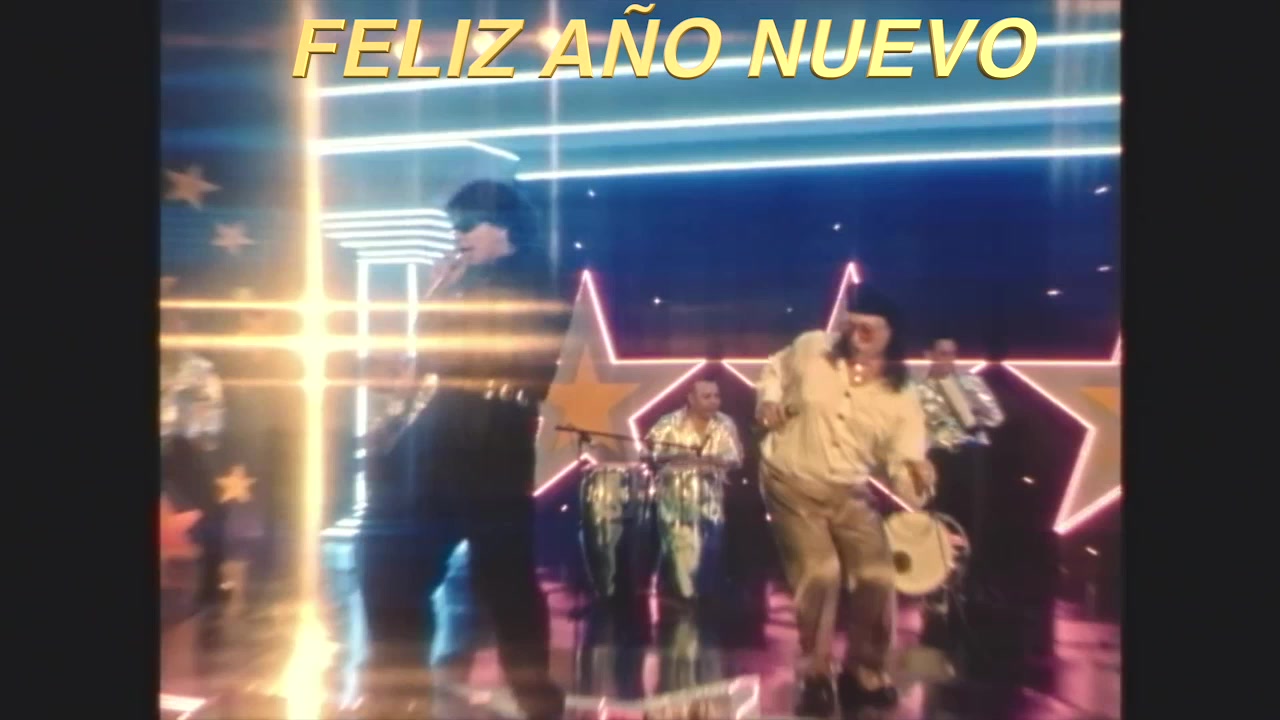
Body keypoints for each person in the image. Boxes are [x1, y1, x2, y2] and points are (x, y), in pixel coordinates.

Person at [358, 180, 570, 719]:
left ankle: (536, 699)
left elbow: (466, 347)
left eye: (468, 224)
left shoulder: (532, 278)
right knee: (391, 559)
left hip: (494, 432)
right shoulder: (464, 281)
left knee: (503, 575)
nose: (457, 236)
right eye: (453, 225)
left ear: (506, 227)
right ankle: (395, 692)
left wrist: (445, 298)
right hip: (444, 426)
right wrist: (440, 294)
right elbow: (433, 354)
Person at [754, 286, 935, 716]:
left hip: (849, 490)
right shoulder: (812, 348)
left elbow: (904, 462)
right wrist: (770, 397)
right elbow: (775, 367)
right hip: (790, 479)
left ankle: (864, 670)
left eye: (868, 327)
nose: (857, 334)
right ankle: (816, 672)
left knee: (877, 575)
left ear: (890, 334)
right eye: (853, 325)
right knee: (821, 572)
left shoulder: (901, 396)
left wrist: (916, 477)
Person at [915, 336, 1005, 616]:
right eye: (942, 353)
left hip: (970, 455)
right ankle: (936, 587)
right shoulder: (918, 389)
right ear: (929, 354)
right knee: (937, 520)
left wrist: (972, 412)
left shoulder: (970, 383)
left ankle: (969, 586)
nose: (948, 359)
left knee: (972, 521)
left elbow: (996, 417)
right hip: (937, 457)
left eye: (952, 353)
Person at [644, 377, 743, 600]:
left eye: (717, 396)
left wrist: (712, 461)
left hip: (710, 502)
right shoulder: (669, 423)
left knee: (709, 555)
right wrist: (678, 458)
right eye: (707, 397)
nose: (714, 401)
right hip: (674, 501)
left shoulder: (725, 423)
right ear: (691, 399)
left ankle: (702, 601)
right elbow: (646, 453)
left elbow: (735, 459)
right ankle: (678, 599)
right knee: (679, 552)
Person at [160, 309, 230, 606]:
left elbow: (214, 408)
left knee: (212, 509)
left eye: (175, 326)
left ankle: (211, 581)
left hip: (184, 445)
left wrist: (205, 440)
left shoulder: (201, 369)